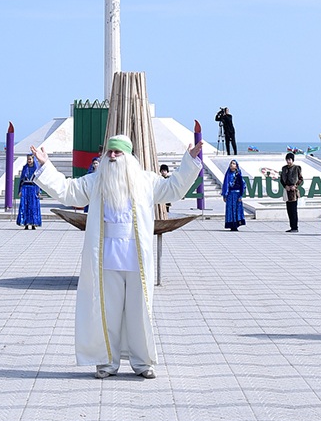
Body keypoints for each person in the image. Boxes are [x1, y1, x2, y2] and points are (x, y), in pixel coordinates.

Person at [31, 133, 202, 378]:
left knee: (139, 310)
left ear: (128, 156)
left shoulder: (146, 181)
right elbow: (68, 191)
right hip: (106, 257)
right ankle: (107, 363)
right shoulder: (96, 181)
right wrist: (46, 165)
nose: (112, 156)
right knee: (107, 311)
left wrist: (189, 162)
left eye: (117, 152)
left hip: (136, 258)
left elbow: (173, 188)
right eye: (109, 151)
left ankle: (143, 363)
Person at [17, 156, 42, 229]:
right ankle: (26, 223)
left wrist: (39, 191)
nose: (29, 160)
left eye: (30, 159)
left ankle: (34, 223)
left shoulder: (36, 169)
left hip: (33, 189)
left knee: (33, 206)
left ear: (33, 159)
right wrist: (20, 190)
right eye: (28, 159)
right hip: (25, 189)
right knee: (25, 205)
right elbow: (21, 180)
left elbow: (39, 181)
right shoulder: (25, 168)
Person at [221, 159, 245, 231]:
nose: (232, 165)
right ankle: (231, 224)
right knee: (230, 209)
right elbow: (225, 185)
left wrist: (240, 195)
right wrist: (225, 195)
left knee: (236, 209)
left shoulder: (238, 174)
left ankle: (236, 225)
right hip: (230, 195)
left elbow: (242, 185)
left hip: (237, 195)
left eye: (234, 163)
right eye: (231, 163)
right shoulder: (228, 174)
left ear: (236, 166)